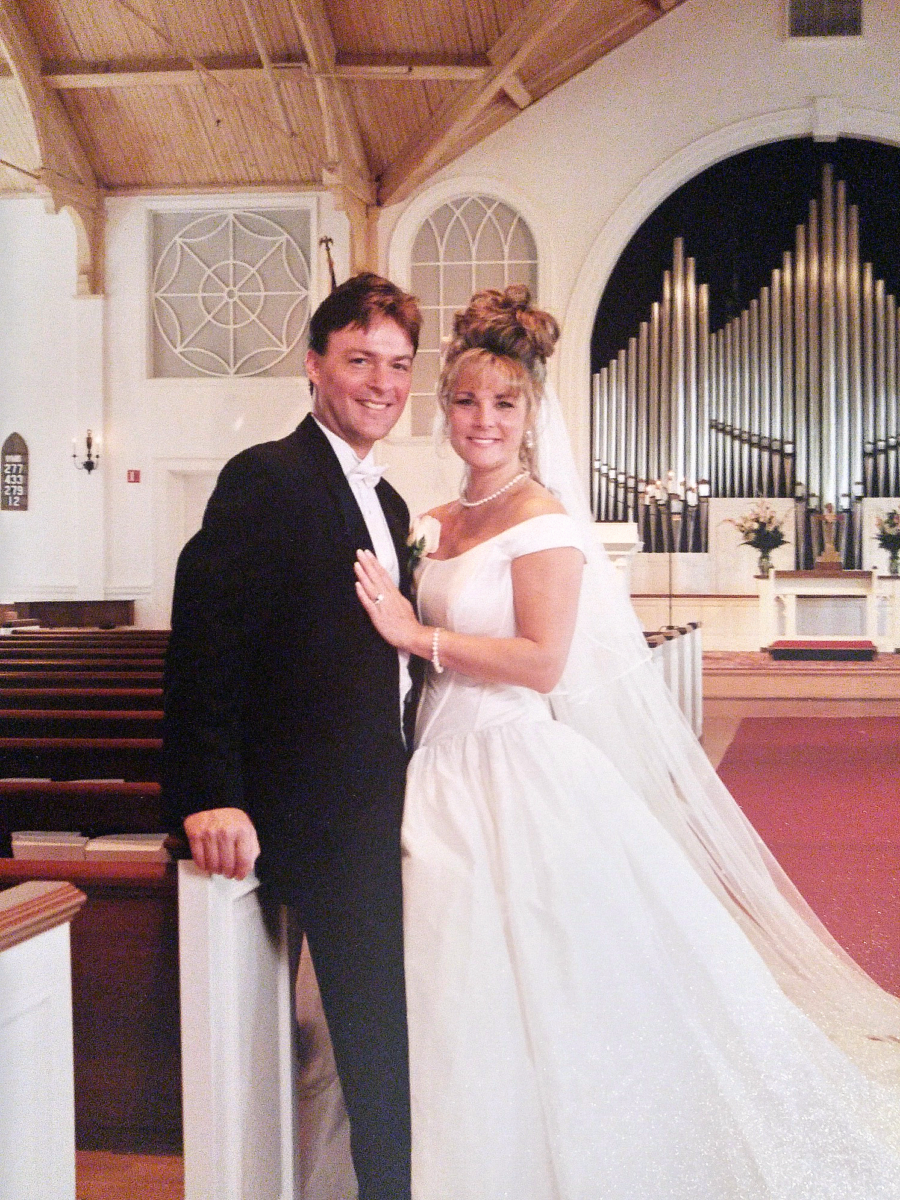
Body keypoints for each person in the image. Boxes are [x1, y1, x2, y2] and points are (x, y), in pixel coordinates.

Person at [353, 285, 900, 1198]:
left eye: (503, 402)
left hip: (513, 768)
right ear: (442, 404)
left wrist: (418, 636)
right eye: (465, 400)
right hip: (434, 768)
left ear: (530, 415)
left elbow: (540, 660)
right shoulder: (438, 523)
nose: (482, 420)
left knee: (554, 987)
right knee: (455, 993)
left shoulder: (545, 521)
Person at [163, 272, 422, 1200]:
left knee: (393, 1032)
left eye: (397, 364)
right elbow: (207, 640)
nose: (381, 382)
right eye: (359, 359)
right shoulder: (268, 477)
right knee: (375, 1043)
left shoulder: (387, 504)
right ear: (314, 364)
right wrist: (208, 792)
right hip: (315, 812)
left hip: (382, 798)